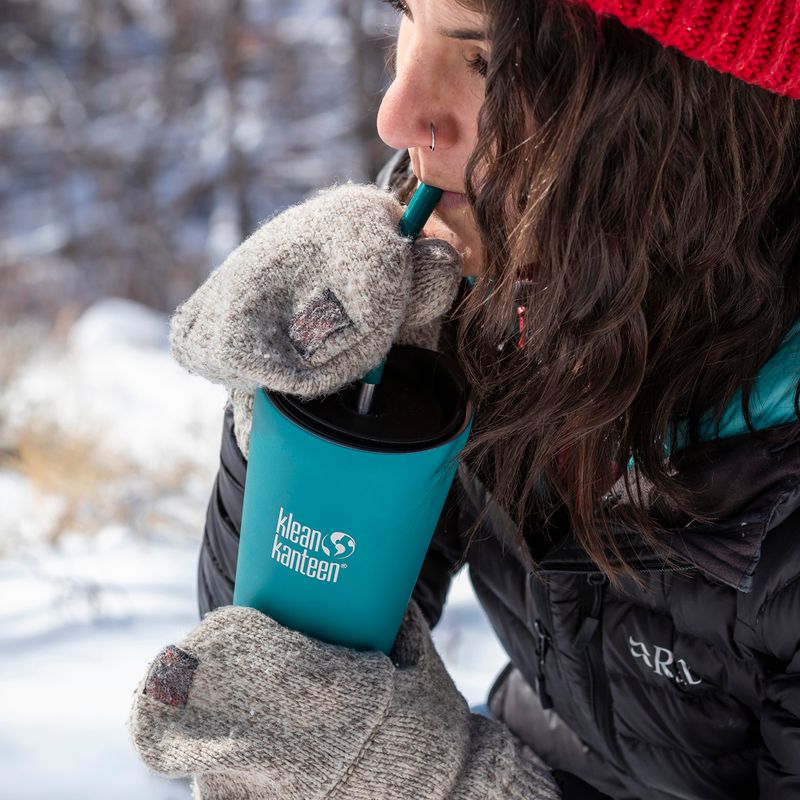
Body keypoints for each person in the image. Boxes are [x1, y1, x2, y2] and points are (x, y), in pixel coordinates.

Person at [129, 1, 800, 798]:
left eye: (483, 59)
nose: (397, 116)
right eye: (406, 21)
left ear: (690, 115)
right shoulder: (500, 272)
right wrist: (300, 426)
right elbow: (285, 684)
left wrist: (456, 785)